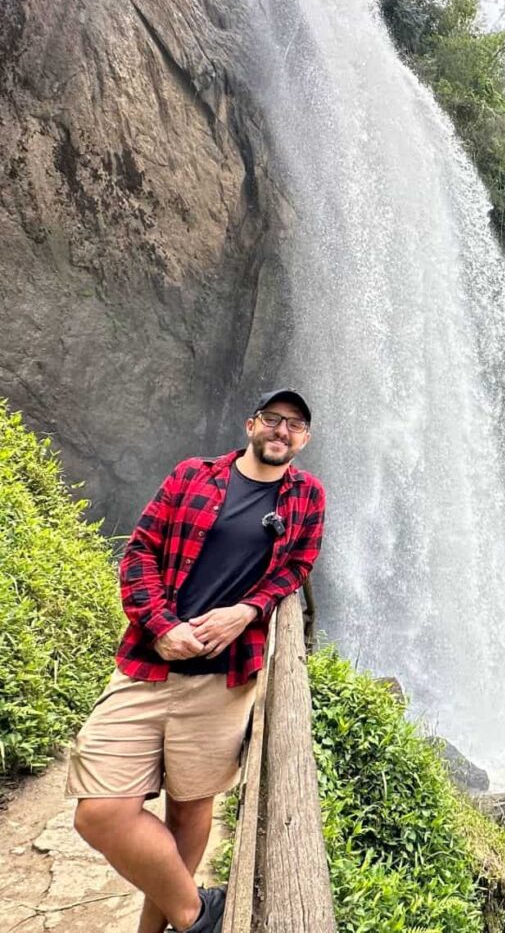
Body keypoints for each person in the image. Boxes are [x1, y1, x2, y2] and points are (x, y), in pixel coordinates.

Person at [67, 390, 326, 933]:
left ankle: (158, 928)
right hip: (148, 667)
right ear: (251, 424)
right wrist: (161, 627)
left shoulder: (307, 496)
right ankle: (196, 915)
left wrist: (248, 610)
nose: (282, 431)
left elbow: (297, 566)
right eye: (273, 419)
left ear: (304, 439)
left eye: (295, 425)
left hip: (223, 683)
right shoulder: (193, 476)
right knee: (100, 812)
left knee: (189, 807)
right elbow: (140, 551)